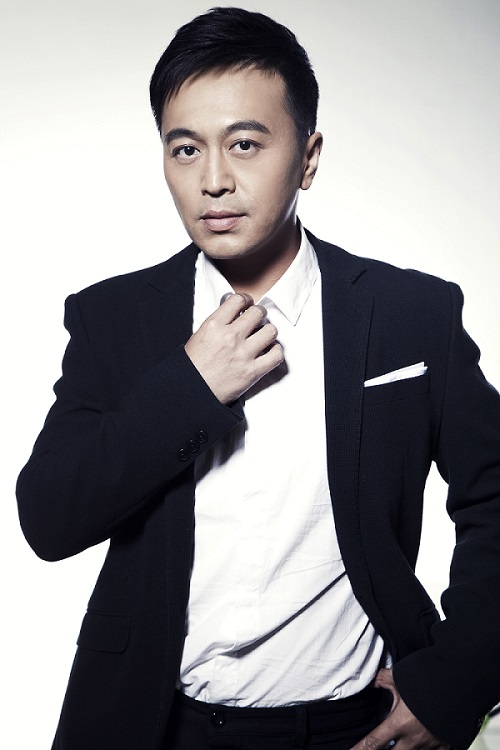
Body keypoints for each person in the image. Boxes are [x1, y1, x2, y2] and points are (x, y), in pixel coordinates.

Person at [16, 7, 500, 750]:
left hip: (350, 728)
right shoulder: (114, 318)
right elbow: (49, 519)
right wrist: (189, 387)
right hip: (157, 727)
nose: (213, 181)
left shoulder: (410, 314)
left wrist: (457, 682)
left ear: (308, 157)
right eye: (185, 149)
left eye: (244, 144)